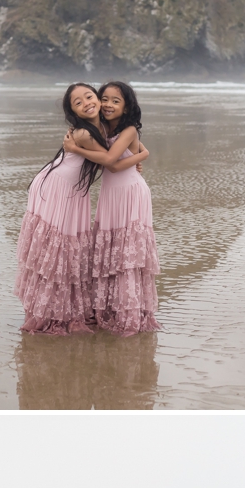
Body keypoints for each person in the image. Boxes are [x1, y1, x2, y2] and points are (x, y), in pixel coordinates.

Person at [14, 83, 133, 333]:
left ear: (98, 99)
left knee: (67, 253)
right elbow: (111, 161)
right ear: (74, 113)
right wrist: (141, 158)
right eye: (77, 103)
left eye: (89, 97)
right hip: (57, 189)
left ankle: (58, 307)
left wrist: (133, 157)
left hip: (71, 189)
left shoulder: (100, 128)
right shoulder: (84, 134)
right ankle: (49, 312)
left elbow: (114, 154)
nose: (86, 103)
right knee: (58, 253)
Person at [63, 80, 159, 334]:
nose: (107, 104)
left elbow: (113, 165)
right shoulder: (101, 127)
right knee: (111, 250)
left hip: (130, 193)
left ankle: (129, 313)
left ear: (126, 107)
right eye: (104, 98)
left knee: (126, 252)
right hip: (111, 194)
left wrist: (143, 155)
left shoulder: (128, 130)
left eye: (116, 101)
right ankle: (108, 308)